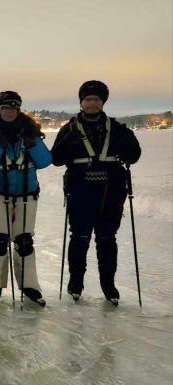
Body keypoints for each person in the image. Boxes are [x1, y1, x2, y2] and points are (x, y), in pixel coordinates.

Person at [51, 80, 141, 305]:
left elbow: (134, 156)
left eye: (96, 100)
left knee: (106, 238)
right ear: (81, 103)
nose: (92, 103)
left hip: (111, 190)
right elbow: (56, 159)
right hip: (80, 189)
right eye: (88, 100)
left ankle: (108, 285)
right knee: (79, 237)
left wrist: (126, 144)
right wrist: (69, 143)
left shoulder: (117, 128)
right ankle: (75, 282)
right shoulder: (69, 129)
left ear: (103, 102)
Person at [0, 91, 52, 306]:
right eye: (5, 108)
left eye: (13, 108)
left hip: (26, 193)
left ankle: (30, 286)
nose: (10, 111)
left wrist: (31, 143)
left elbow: (46, 161)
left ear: (18, 110)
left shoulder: (29, 132)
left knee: (24, 241)